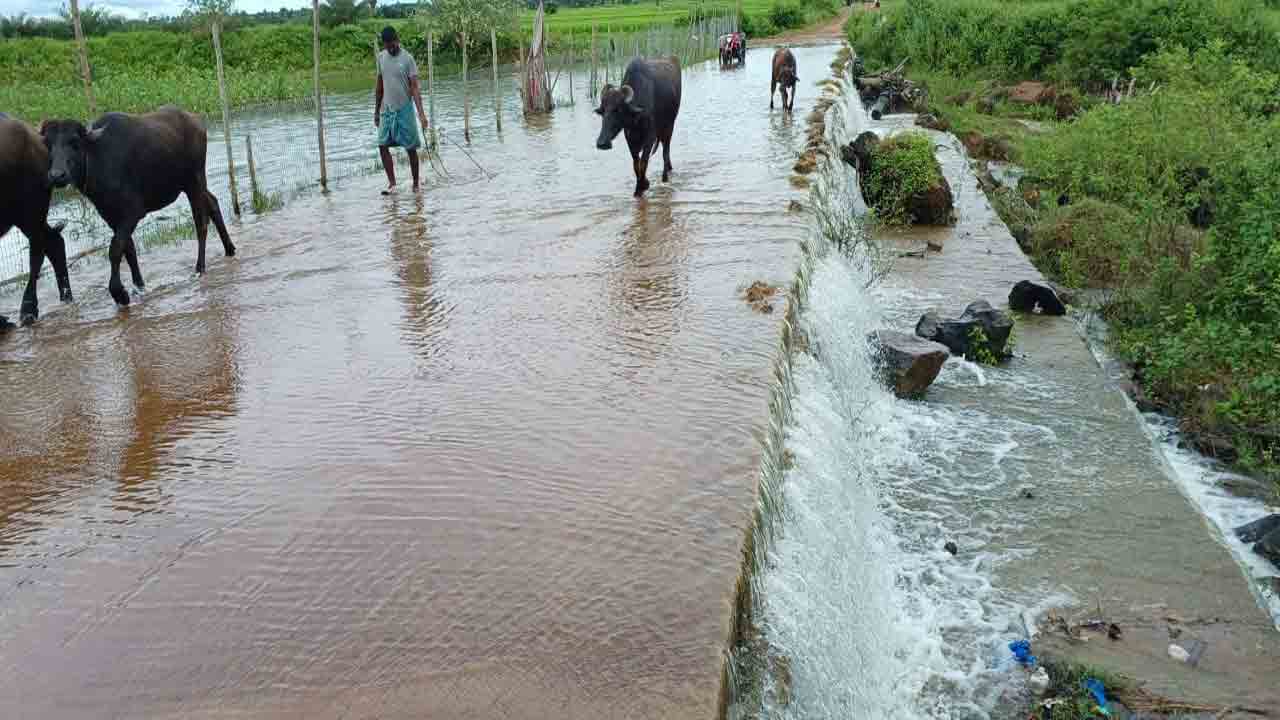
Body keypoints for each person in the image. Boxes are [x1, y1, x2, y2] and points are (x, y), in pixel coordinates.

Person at [375, 26, 430, 195]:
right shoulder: (381, 58)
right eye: (387, 45)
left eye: (393, 44)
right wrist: (376, 111)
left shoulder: (408, 59)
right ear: (383, 44)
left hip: (404, 109)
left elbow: (414, 88)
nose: (391, 48)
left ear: (397, 40)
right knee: (382, 145)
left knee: (411, 147)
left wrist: (421, 114)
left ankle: (415, 184)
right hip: (387, 109)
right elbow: (379, 86)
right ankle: (392, 184)